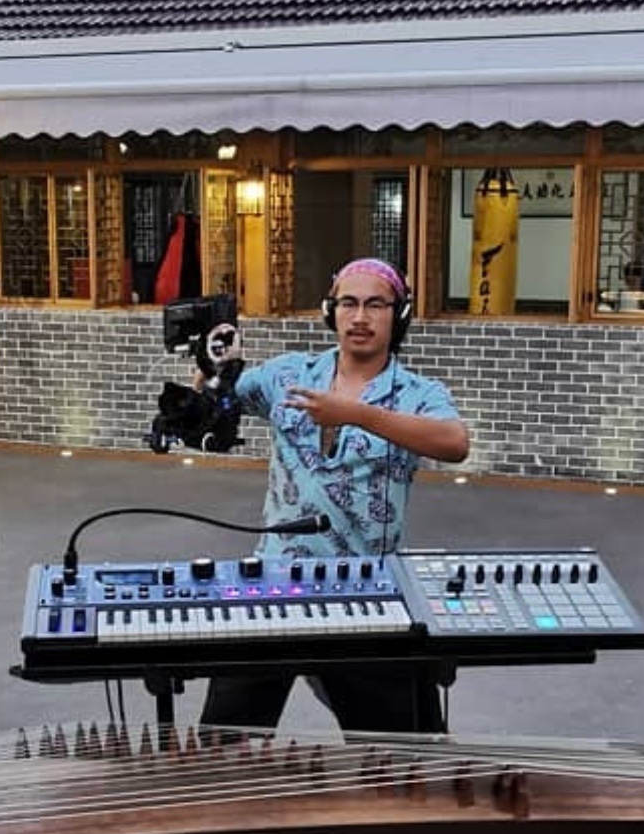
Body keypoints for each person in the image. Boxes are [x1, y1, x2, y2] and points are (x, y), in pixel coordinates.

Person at [198, 258, 470, 738]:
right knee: (225, 740)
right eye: (348, 302)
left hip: (369, 587)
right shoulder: (290, 374)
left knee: (401, 752)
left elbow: (454, 442)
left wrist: (357, 413)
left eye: (375, 305)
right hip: (275, 578)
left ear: (398, 315)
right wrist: (210, 366)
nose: (360, 317)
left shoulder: (416, 393)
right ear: (331, 310)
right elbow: (220, 394)